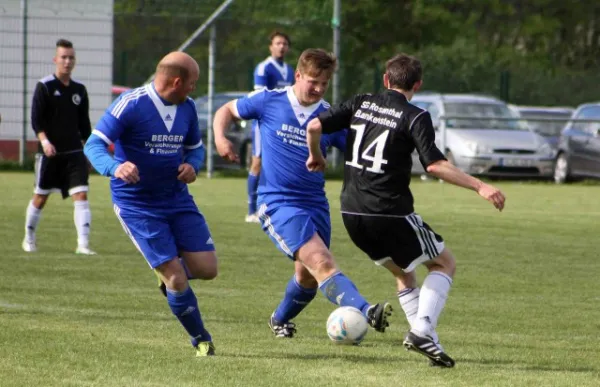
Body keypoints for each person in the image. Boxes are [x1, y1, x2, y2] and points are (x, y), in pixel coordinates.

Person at [305, 53, 506, 367]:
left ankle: (429, 343)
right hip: (389, 212)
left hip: (352, 214)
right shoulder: (415, 115)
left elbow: (314, 124)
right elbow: (436, 165)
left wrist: (315, 155)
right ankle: (423, 330)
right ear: (417, 85)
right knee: (444, 263)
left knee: (404, 273)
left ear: (386, 79)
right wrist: (480, 186)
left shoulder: (361, 102)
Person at [213, 48, 392, 339]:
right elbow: (227, 110)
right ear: (298, 75)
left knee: (307, 277)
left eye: (325, 83)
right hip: (277, 202)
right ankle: (367, 310)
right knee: (322, 261)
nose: (319, 88)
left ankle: (279, 319)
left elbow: (359, 153)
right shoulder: (268, 100)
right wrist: (221, 138)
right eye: (313, 81)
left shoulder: (330, 116)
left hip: (315, 204)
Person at [84, 51, 218, 357]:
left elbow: (195, 150)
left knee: (207, 269)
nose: (194, 89)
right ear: (176, 81)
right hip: (138, 204)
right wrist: (114, 167)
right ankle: (201, 339)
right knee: (176, 276)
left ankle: (167, 275)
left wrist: (192, 166)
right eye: (192, 83)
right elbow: (93, 144)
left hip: (176, 198)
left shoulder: (188, 108)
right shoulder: (131, 104)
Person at [22, 39, 95, 255]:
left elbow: (85, 125)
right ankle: (29, 238)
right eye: (63, 57)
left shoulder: (79, 90)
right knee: (41, 196)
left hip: (74, 153)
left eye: (71, 57)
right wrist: (45, 142)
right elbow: (36, 120)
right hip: (50, 154)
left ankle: (83, 245)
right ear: (55, 59)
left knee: (81, 195)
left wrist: (89, 152)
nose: (67, 61)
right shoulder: (44, 86)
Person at [245, 31, 295, 223]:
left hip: (282, 123)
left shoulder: (290, 70)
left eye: (284, 43)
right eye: (278, 43)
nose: (281, 46)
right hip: (264, 122)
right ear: (271, 46)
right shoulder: (264, 68)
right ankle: (251, 211)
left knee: (280, 163)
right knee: (257, 162)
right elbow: (260, 99)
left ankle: (277, 206)